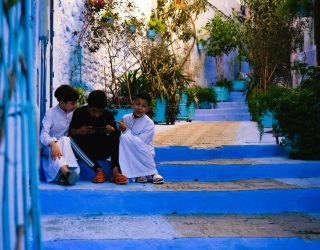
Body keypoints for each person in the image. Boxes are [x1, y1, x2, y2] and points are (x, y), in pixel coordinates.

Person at [68, 90, 127, 184]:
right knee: (71, 141)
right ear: (88, 105)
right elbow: (70, 133)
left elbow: (114, 138)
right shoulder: (79, 112)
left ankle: (115, 171)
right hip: (85, 151)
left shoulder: (108, 115)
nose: (96, 115)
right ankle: (98, 170)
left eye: (100, 112)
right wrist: (80, 131)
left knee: (117, 134)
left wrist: (110, 131)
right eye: (93, 111)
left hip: (103, 150)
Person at [118, 93, 164, 184]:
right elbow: (121, 138)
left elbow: (140, 143)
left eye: (144, 106)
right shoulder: (125, 118)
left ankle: (153, 173)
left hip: (143, 150)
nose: (139, 108)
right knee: (123, 139)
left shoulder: (149, 123)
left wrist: (126, 130)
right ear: (133, 104)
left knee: (128, 139)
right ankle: (140, 174)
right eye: (137, 104)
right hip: (128, 151)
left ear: (148, 108)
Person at [40, 85, 80, 185]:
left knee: (65, 140)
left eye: (75, 102)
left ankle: (65, 173)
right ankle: (68, 172)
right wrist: (53, 143)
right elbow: (43, 134)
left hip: (66, 146)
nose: (75, 105)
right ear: (62, 102)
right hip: (50, 147)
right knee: (63, 140)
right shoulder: (50, 113)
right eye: (72, 103)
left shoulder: (75, 112)